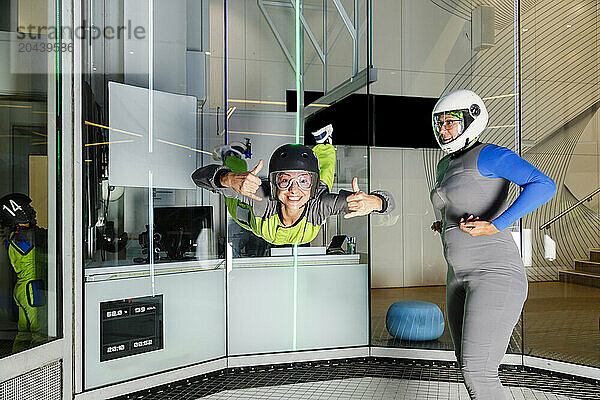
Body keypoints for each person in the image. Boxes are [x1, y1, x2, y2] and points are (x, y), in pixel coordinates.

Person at [429, 89, 556, 399]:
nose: (444, 130)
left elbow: (544, 185)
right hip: (456, 277)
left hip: (494, 274)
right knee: (468, 368)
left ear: (471, 120)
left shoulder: (491, 155)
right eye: (439, 124)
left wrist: (497, 224)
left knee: (479, 374)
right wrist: (444, 222)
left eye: (451, 122)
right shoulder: (446, 165)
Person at [192, 132, 394, 246]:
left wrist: (375, 202)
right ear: (273, 183)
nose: (294, 190)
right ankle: (234, 155)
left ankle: (324, 145)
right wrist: (227, 179)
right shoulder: (260, 198)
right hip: (251, 221)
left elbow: (390, 203)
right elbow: (198, 178)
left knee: (322, 186)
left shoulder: (318, 202)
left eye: (303, 182)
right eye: (285, 180)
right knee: (239, 188)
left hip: (307, 217)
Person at [0, 193, 48, 353]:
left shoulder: (15, 236)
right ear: (18, 212)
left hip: (22, 289)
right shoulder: (27, 235)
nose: (33, 212)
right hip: (32, 290)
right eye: (29, 209)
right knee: (39, 334)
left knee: (23, 333)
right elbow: (52, 239)